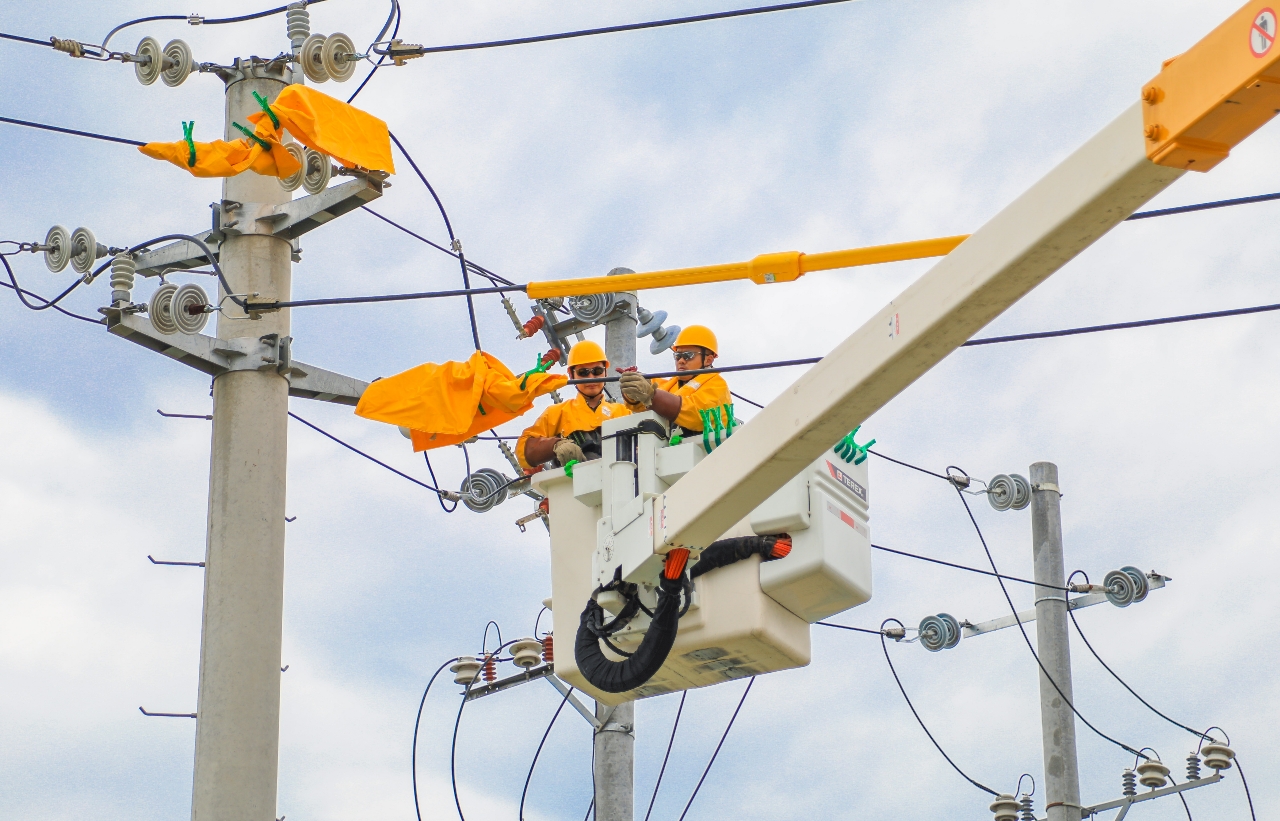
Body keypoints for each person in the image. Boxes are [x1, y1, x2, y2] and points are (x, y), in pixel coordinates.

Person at [517, 340, 632, 470]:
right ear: (572, 375)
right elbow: (524, 450)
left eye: (597, 371)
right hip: (572, 485)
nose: (591, 377)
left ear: (606, 373)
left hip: (620, 482)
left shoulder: (623, 412)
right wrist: (556, 445)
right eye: (583, 372)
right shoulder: (557, 413)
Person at [617, 325, 731, 437]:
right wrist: (632, 390)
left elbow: (696, 414)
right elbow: (643, 404)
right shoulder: (672, 385)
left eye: (688, 355)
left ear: (708, 359)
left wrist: (651, 395)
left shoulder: (717, 385)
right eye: (677, 355)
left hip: (708, 452)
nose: (681, 361)